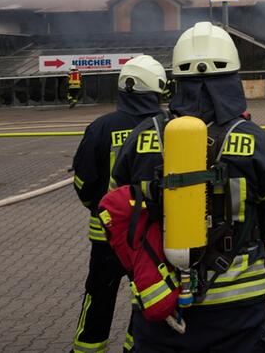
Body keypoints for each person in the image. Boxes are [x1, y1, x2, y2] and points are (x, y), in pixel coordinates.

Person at [111, 21, 265, 352]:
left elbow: (119, 209)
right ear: (232, 81)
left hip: (162, 304)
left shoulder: (141, 137)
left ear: (177, 82)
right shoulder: (255, 140)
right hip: (239, 308)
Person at [69, 55, 167, 353]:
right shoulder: (169, 127)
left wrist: (98, 208)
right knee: (149, 294)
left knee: (99, 294)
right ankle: (136, 346)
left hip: (107, 235)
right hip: (152, 236)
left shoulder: (100, 127)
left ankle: (87, 347)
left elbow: (83, 181)